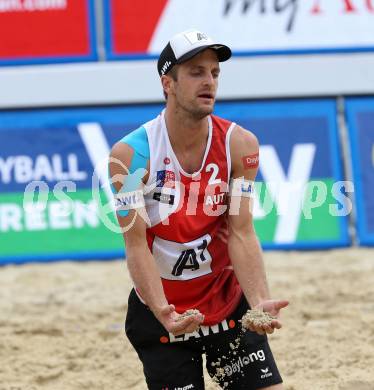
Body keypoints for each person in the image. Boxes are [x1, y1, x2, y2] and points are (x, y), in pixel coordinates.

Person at [109, 29, 289, 390]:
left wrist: (257, 302)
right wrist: (163, 311)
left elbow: (241, 231)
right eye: (195, 72)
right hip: (163, 311)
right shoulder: (130, 157)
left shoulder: (240, 145)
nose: (209, 81)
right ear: (168, 83)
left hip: (226, 299)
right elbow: (136, 244)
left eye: (214, 73)